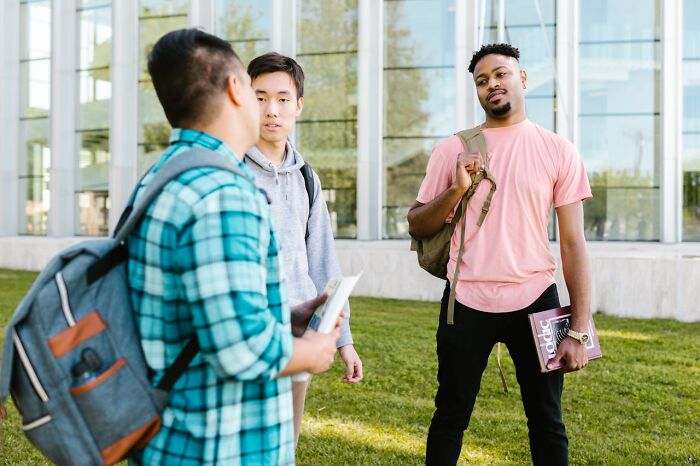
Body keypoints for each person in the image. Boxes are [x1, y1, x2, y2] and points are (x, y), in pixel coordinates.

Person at [126, 29, 340, 465]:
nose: (268, 107)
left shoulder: (164, 173)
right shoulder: (223, 191)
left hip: (168, 436)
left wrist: (287, 315)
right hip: (216, 444)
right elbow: (239, 349)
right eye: (254, 89)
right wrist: (312, 353)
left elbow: (198, 306)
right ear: (234, 89)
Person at [407, 43, 593, 466]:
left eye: (501, 74)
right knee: (451, 414)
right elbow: (417, 224)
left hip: (536, 299)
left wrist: (578, 330)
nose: (492, 84)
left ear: (522, 79)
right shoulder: (451, 149)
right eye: (482, 80)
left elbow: (573, 244)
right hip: (466, 302)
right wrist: (456, 188)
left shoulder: (558, 150)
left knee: (547, 419)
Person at [244, 52, 363, 446]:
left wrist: (343, 340)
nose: (271, 110)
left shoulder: (307, 178)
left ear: (299, 106)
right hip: (245, 335)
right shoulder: (230, 169)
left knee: (284, 446)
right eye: (260, 97)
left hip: (297, 335)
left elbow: (322, 261)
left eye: (282, 98)